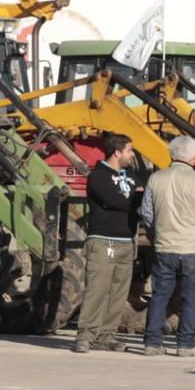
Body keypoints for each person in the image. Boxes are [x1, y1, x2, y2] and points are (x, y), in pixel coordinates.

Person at [138, 135, 195, 356]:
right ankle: (185, 344)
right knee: (190, 297)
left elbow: (145, 212)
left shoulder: (156, 179)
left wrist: (158, 230)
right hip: (192, 247)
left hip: (164, 246)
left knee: (159, 294)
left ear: (171, 154)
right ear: (192, 157)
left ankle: (152, 342)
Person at [74, 132, 141, 354]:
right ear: (117, 152)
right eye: (130, 150)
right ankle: (86, 334)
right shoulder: (98, 176)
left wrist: (134, 197)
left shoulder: (132, 176)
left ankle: (106, 335)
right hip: (103, 241)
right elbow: (116, 201)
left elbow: (140, 197)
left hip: (126, 241)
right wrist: (134, 197)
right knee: (98, 289)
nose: (132, 155)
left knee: (118, 293)